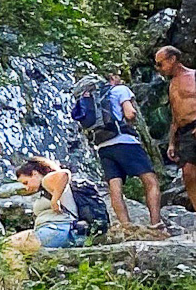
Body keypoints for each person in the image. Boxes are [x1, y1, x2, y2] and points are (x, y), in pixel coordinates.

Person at [78, 70, 165, 230]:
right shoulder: (119, 90)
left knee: (115, 186)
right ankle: (155, 224)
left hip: (103, 146)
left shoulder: (91, 97)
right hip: (125, 142)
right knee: (150, 180)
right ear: (112, 78)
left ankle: (126, 226)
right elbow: (130, 113)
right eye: (118, 75)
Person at [10, 157, 82, 252]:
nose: (26, 188)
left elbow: (64, 174)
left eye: (26, 182)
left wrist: (54, 200)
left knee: (8, 247)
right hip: (54, 230)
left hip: (57, 230)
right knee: (10, 247)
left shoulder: (46, 180)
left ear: (35, 174)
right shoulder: (47, 188)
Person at [158, 45, 196, 210]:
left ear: (172, 59)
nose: (158, 69)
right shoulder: (172, 84)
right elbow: (175, 115)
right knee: (188, 173)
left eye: (160, 64)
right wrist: (172, 142)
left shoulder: (193, 75)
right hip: (184, 132)